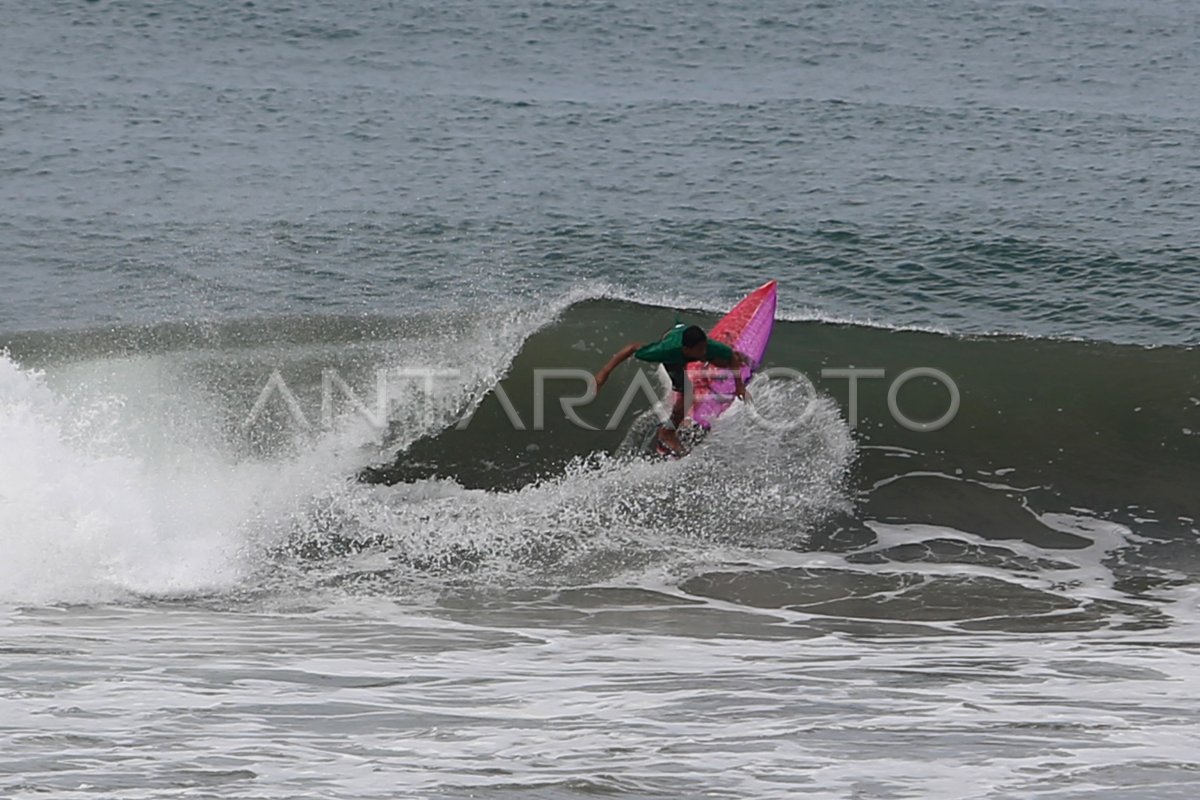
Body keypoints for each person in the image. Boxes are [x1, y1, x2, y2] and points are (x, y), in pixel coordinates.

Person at [594, 324, 748, 455]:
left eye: (704, 348)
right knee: (687, 394)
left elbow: (729, 356)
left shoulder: (707, 347)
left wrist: (739, 386)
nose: (704, 352)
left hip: (686, 340)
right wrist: (604, 373)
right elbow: (632, 347)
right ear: (687, 349)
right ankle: (667, 433)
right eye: (700, 349)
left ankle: (713, 360)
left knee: (726, 359)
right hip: (674, 354)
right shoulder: (665, 351)